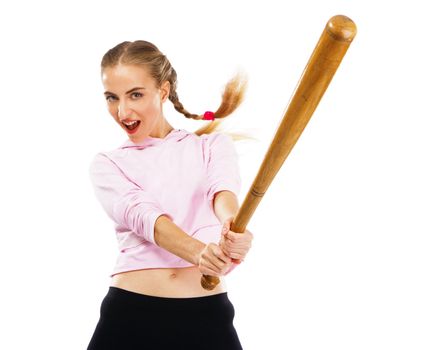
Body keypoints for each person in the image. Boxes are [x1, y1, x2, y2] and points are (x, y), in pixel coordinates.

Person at [86, 40, 254, 350]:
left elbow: (223, 192)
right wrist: (197, 251)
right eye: (112, 98)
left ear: (163, 91)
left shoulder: (212, 146)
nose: (123, 111)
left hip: (207, 315)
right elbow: (145, 216)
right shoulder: (107, 164)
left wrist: (232, 227)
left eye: (136, 94)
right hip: (130, 314)